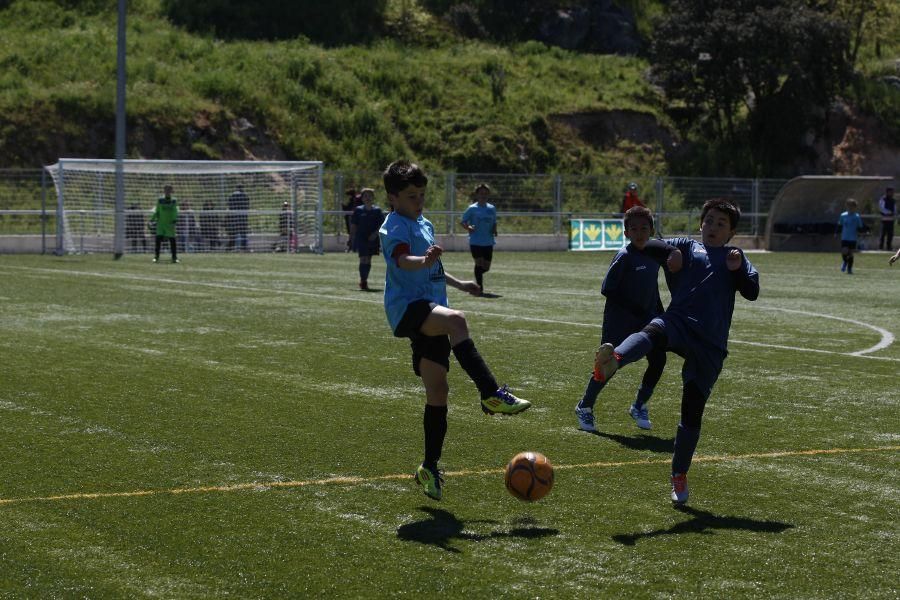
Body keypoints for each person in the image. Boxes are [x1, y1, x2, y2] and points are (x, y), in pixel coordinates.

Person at [378, 160, 531, 501]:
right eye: (411, 196)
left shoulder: (425, 224)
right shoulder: (394, 226)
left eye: (421, 194)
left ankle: (429, 467)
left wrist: (460, 283)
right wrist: (424, 261)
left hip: (429, 307)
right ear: (393, 197)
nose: (418, 201)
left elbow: (431, 268)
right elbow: (404, 261)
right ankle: (491, 393)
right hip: (408, 308)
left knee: (438, 392)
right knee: (457, 321)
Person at [592, 198, 759, 505]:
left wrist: (736, 271)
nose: (713, 227)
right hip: (679, 321)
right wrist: (672, 255)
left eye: (721, 224)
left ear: (732, 232)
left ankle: (679, 475)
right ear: (700, 224)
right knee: (653, 331)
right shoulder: (687, 246)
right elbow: (649, 246)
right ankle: (614, 359)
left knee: (691, 411)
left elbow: (752, 292)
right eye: (708, 220)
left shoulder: (735, 256)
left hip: (710, 343)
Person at [574, 206, 673, 433]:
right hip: (620, 321)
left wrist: (659, 311)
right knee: (609, 365)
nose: (639, 232)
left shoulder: (653, 255)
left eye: (644, 228)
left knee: (658, 360)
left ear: (652, 230)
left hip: (648, 320)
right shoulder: (624, 256)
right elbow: (608, 289)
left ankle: (639, 405)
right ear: (626, 232)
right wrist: (634, 308)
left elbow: (651, 288)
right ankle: (585, 406)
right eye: (634, 228)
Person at [460, 183, 498, 295]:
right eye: (481, 193)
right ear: (477, 194)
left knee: (486, 267)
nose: (483, 195)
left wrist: (495, 230)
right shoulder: (472, 208)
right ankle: (479, 288)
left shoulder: (492, 208)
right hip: (475, 241)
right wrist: (468, 227)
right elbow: (463, 221)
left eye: (486, 193)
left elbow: (494, 221)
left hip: (488, 241)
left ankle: (476, 281)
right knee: (479, 263)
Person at [349, 188, 384, 289]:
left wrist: (375, 234)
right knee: (363, 258)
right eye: (365, 196)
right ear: (362, 198)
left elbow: (382, 225)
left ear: (373, 198)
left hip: (372, 238)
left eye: (370, 196)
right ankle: (363, 280)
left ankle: (364, 279)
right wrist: (351, 238)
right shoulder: (358, 210)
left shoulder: (377, 211)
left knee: (368, 259)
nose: (368, 198)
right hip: (361, 238)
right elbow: (353, 225)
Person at [150, 185, 179, 263]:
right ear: (164, 191)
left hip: (170, 224)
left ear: (171, 191)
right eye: (166, 190)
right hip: (161, 224)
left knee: (172, 241)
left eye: (169, 190)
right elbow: (157, 211)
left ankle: (174, 257)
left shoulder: (174, 200)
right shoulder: (160, 200)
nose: (167, 192)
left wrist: (175, 220)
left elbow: (175, 211)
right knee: (158, 240)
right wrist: (151, 219)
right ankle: (156, 257)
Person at [837, 198, 865, 274]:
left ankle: (849, 269)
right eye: (849, 206)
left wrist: (862, 233)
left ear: (855, 207)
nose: (850, 208)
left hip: (853, 238)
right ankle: (845, 262)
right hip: (845, 237)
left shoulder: (856, 216)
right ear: (847, 206)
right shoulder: (843, 215)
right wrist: (836, 233)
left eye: (852, 206)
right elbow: (840, 225)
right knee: (844, 252)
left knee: (851, 253)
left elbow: (860, 227)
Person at [227, 185, 251, 252]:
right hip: (243, 217)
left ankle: (234, 247)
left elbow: (230, 205)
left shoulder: (233, 195)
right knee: (242, 233)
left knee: (235, 233)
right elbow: (247, 206)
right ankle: (243, 247)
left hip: (235, 217)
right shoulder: (245, 196)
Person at [878, 186, 895, 251]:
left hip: (891, 219)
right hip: (884, 219)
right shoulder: (883, 199)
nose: (892, 193)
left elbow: (894, 208)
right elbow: (881, 208)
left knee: (890, 234)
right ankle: (881, 247)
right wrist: (888, 212)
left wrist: (893, 213)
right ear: (887, 192)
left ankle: (889, 246)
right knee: (883, 234)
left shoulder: (893, 200)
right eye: (890, 192)